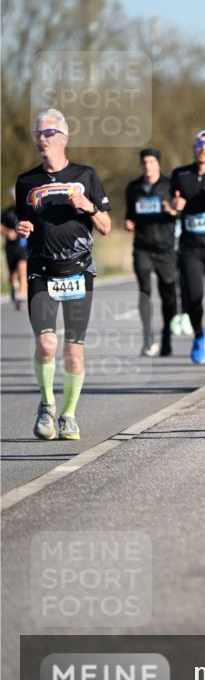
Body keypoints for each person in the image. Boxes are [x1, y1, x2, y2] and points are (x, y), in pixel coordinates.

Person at [15, 108, 111, 440]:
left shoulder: (86, 175)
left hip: (78, 271)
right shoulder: (27, 181)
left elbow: (107, 227)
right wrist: (22, 227)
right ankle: (46, 406)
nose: (42, 139)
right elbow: (23, 223)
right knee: (45, 343)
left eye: (48, 134)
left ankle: (68, 415)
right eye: (38, 134)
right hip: (41, 270)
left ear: (64, 137)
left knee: (73, 348)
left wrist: (89, 206)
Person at [170, 130, 205, 372]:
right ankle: (199, 333)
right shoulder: (180, 175)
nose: (203, 148)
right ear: (194, 148)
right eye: (199, 144)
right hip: (190, 248)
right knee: (193, 298)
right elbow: (171, 205)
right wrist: (175, 206)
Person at [124, 148, 178, 357]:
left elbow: (179, 211)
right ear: (141, 165)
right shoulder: (133, 188)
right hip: (142, 247)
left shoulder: (170, 185)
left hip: (165, 248)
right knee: (144, 291)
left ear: (158, 164)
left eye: (152, 162)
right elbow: (130, 215)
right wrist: (129, 223)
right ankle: (148, 336)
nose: (148, 166)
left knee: (169, 296)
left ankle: (166, 336)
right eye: (144, 162)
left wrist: (172, 211)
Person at [1, 187, 28, 310]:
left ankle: (21, 299)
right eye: (14, 197)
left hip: (23, 246)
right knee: (13, 276)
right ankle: (14, 287)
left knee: (23, 270)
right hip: (10, 248)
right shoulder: (6, 213)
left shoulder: (26, 211)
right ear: (11, 198)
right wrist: (8, 232)